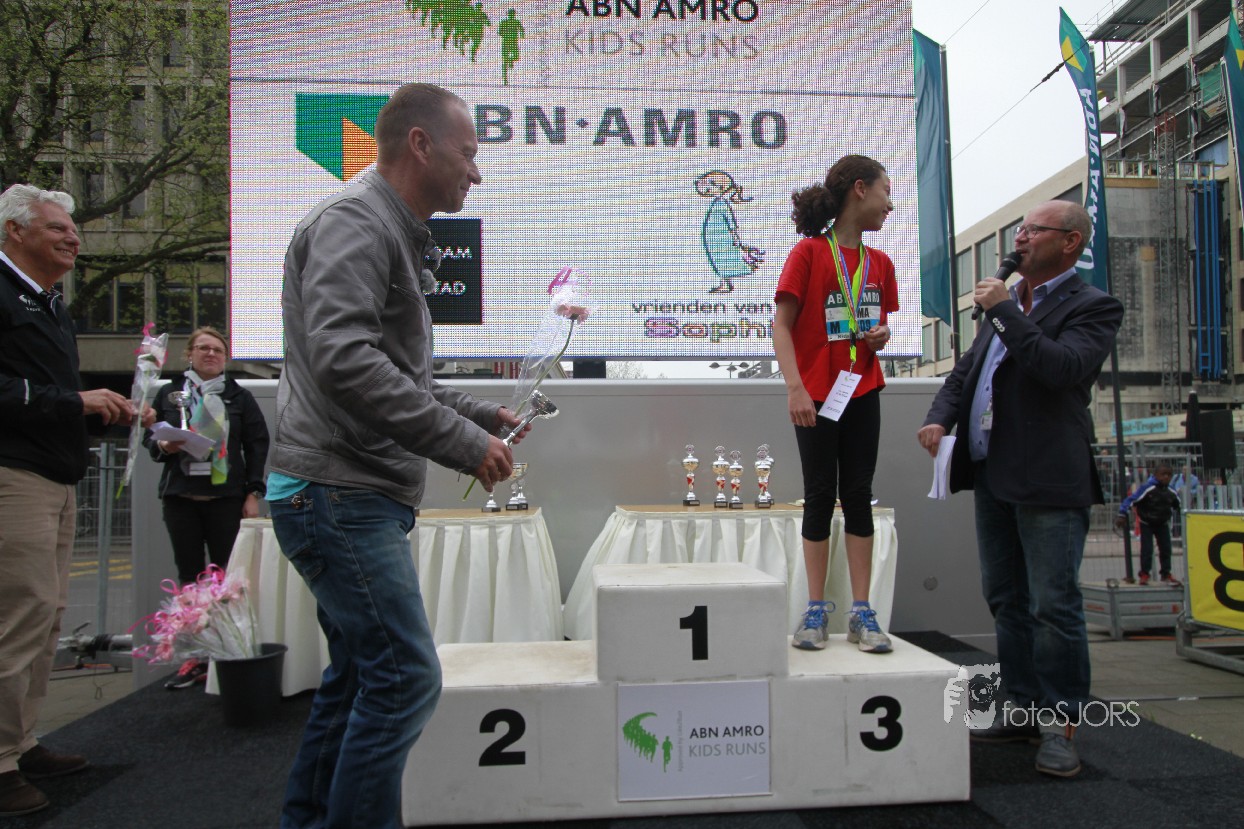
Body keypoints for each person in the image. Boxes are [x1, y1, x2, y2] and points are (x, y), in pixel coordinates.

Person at [266, 83, 527, 829]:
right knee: (406, 678)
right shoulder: (358, 221)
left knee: (359, 677)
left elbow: (391, 371)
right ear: (420, 144)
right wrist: (463, 443)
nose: (475, 171)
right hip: (338, 493)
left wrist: (479, 417)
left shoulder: (381, 225)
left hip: (339, 491)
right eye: (468, 153)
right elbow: (345, 361)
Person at [917, 200, 1124, 778]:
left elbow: (1059, 369)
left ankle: (1061, 723)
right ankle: (1023, 707)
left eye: (1034, 230)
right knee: (1006, 599)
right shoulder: (1004, 308)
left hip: (1049, 480)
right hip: (994, 474)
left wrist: (1005, 310)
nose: (1021, 238)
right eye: (1021, 229)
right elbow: (966, 374)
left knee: (1052, 606)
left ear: (1070, 241)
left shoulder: (1092, 305)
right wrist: (940, 417)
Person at [0, 183, 153, 816]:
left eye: (74, 228)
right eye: (58, 227)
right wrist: (74, 401)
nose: (73, 237)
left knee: (46, 616)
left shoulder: (49, 304)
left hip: (56, 476)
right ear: (15, 231)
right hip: (15, 476)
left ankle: (21, 742)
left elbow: (58, 399)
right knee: (19, 615)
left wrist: (110, 411)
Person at [772, 154, 899, 654]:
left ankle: (862, 612)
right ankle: (815, 609)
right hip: (816, 394)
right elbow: (782, 326)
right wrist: (795, 387)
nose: (890, 205)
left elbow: (873, 325)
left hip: (862, 388)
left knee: (860, 492)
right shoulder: (808, 253)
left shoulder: (880, 263)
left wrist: (880, 335)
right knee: (820, 493)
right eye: (886, 192)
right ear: (860, 189)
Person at [143, 326, 270, 689]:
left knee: (226, 580)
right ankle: (195, 656)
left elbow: (257, 445)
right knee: (189, 578)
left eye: (217, 349)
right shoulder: (169, 394)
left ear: (225, 358)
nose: (210, 354)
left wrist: (253, 493)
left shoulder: (239, 397)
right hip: (181, 497)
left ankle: (228, 651)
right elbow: (150, 441)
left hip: (225, 499)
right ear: (190, 354)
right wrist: (162, 445)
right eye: (203, 348)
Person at [1116, 463, 1181, 587]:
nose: (1166, 477)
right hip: (1147, 523)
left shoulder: (1171, 491)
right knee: (1147, 550)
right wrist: (1122, 514)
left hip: (1163, 524)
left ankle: (1166, 573)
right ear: (1156, 475)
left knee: (1166, 549)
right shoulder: (1147, 488)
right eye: (1163, 474)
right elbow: (1131, 500)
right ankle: (1144, 574)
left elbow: (1179, 506)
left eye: (1169, 475)